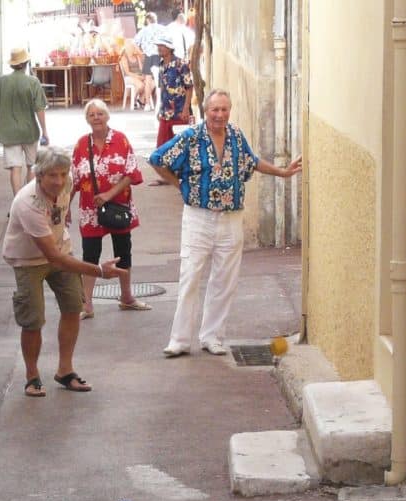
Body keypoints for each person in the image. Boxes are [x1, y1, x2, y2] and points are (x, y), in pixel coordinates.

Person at [149, 89, 302, 358]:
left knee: (224, 279)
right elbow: (157, 160)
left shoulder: (235, 135)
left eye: (224, 109)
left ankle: (212, 336)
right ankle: (180, 339)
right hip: (199, 216)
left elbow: (252, 162)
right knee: (190, 276)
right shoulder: (191, 137)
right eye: (214, 110)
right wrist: (180, 186)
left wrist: (283, 172)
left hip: (231, 217)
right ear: (205, 111)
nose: (219, 115)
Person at [3, 146, 127, 397]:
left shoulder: (67, 182)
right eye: (52, 176)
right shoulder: (28, 203)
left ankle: (65, 370)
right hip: (28, 260)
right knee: (33, 319)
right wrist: (98, 271)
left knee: (73, 306)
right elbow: (54, 258)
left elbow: (63, 210)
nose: (59, 181)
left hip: (60, 247)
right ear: (38, 175)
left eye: (62, 174)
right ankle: (32, 376)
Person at [69, 99, 149, 319]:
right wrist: (65, 206)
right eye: (91, 114)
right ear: (87, 119)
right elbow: (73, 179)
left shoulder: (120, 140)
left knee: (123, 251)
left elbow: (131, 173)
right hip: (89, 211)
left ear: (107, 116)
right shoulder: (81, 145)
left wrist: (108, 195)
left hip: (118, 206)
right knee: (90, 255)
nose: (96, 118)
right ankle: (87, 305)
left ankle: (126, 297)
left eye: (100, 113)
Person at [0, 48, 50, 197]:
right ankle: (28, 200)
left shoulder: (2, 82)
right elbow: (39, 108)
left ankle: (17, 202)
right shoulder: (33, 82)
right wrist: (45, 130)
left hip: (8, 132)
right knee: (32, 166)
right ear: (26, 63)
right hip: (29, 131)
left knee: (15, 168)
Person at [154, 33, 194, 149]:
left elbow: (189, 87)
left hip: (180, 113)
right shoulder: (161, 65)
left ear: (170, 48)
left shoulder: (181, 64)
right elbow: (162, 88)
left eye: (162, 45)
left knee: (181, 148)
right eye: (158, 45)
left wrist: (186, 109)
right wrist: (160, 109)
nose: (159, 48)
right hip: (165, 113)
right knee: (162, 149)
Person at [119, 40, 155, 111]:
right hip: (130, 76)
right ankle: (134, 100)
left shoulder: (137, 57)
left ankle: (141, 99)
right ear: (126, 48)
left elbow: (141, 69)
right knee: (140, 85)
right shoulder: (124, 57)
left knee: (152, 84)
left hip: (139, 75)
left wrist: (143, 75)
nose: (132, 49)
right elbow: (127, 72)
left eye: (133, 48)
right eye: (130, 48)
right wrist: (138, 77)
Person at [134, 12, 164, 78]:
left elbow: (135, 42)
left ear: (147, 20)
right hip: (161, 57)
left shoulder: (144, 30)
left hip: (149, 57)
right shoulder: (163, 29)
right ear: (156, 19)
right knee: (161, 79)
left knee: (148, 79)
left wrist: (140, 53)